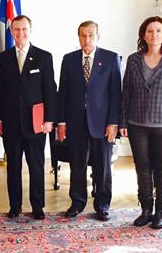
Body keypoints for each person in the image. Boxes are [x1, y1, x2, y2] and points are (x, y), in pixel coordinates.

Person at [120, 16, 162, 229]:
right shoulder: (134, 60)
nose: (154, 35)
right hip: (136, 123)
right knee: (142, 167)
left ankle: (161, 211)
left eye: (159, 31)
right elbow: (126, 93)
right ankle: (146, 209)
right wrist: (123, 121)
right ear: (143, 35)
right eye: (150, 31)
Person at [57, 20, 121, 221]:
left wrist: (113, 123)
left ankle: (102, 205)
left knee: (102, 166)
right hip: (76, 123)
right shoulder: (69, 60)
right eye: (83, 35)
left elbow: (115, 94)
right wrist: (61, 122)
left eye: (91, 35)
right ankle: (77, 202)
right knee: (77, 165)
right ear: (78, 37)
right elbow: (63, 94)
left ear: (97, 36)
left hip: (102, 124)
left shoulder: (110, 58)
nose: (87, 39)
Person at [0, 15, 57, 220]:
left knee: (36, 166)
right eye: (16, 30)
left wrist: (49, 119)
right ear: (11, 32)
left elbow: (50, 90)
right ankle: (15, 206)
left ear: (30, 31)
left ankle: (38, 206)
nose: (20, 33)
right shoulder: (3, 59)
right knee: (13, 167)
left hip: (36, 123)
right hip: (11, 123)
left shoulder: (43, 57)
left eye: (24, 29)